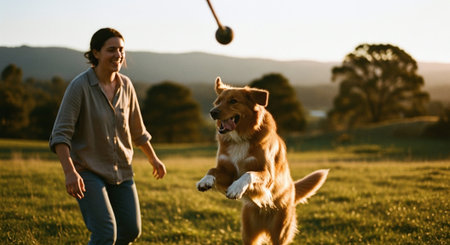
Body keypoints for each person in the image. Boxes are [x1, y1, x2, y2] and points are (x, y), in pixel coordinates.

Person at [49, 27, 166, 244]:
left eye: (121, 49)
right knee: (105, 233)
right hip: (88, 170)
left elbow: (138, 131)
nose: (118, 55)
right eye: (111, 49)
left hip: (121, 170)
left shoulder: (126, 85)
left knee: (130, 230)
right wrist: (70, 172)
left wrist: (154, 158)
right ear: (96, 53)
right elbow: (60, 135)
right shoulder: (79, 87)